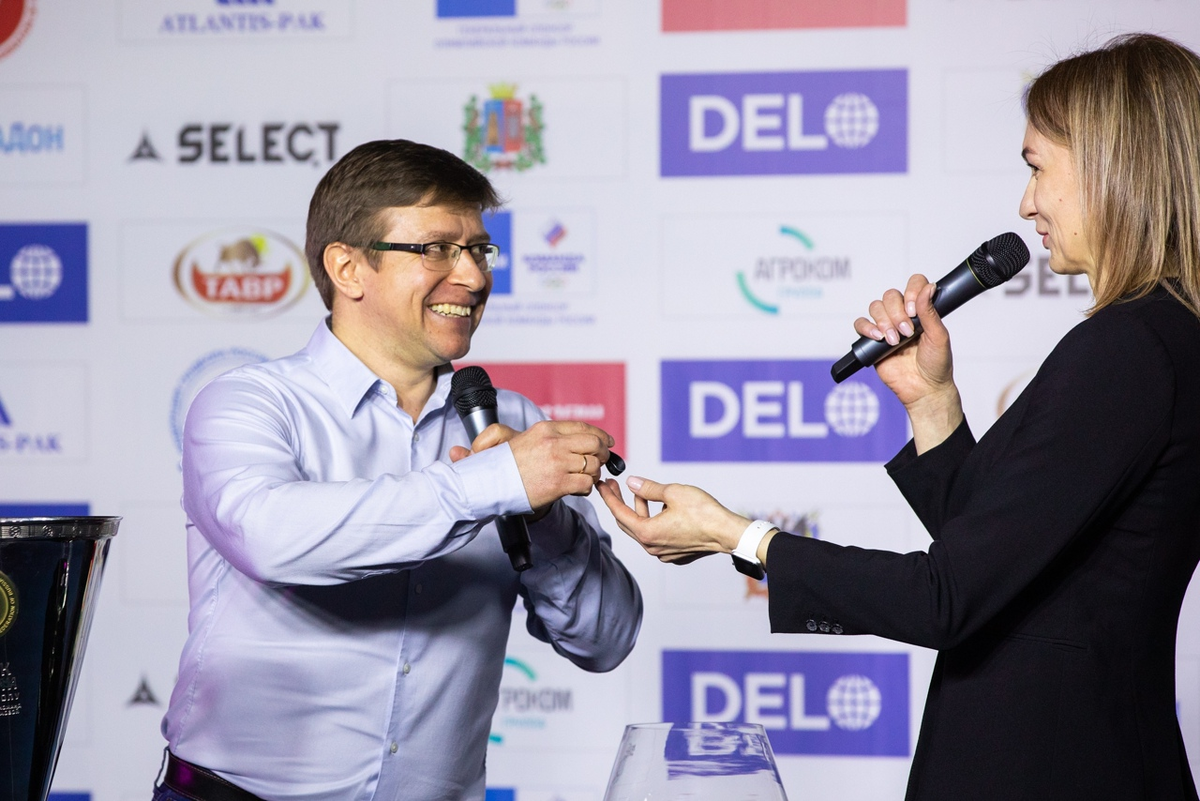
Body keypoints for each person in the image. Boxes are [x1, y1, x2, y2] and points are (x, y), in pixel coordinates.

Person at [598, 32, 1200, 801]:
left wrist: (737, 535)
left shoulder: (1127, 348)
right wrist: (930, 400)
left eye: (1037, 167)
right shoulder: (1164, 339)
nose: (1025, 204)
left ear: (1113, 166)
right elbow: (1001, 564)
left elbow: (947, 596)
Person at [155, 139, 643, 801]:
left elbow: (605, 640)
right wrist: (495, 483)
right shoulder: (248, 403)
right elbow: (272, 538)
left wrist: (543, 517)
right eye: (437, 248)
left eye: (479, 250)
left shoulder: (516, 424)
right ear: (348, 268)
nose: (473, 277)